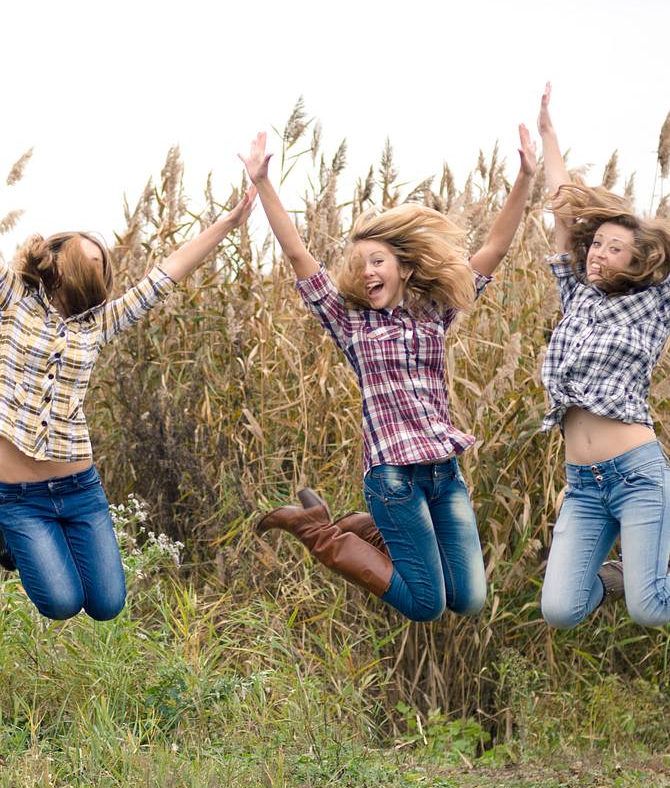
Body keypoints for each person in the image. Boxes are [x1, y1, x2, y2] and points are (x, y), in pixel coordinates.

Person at [0, 115, 256, 620]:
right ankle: (9, 532)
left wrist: (227, 223)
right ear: (58, 257)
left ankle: (46, 542)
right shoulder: (15, 301)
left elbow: (171, 271)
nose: (98, 261)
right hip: (20, 496)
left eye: (103, 261)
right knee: (61, 602)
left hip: (79, 488)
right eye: (88, 253)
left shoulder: (100, 324)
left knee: (108, 605)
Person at [242, 126, 536, 621]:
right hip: (393, 477)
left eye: (377, 260)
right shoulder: (350, 321)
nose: (367, 272)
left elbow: (494, 251)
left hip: (444, 474)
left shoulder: (434, 311)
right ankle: (319, 530)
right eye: (359, 265)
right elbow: (297, 256)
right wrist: (264, 182)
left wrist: (526, 177)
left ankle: (367, 529)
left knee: (467, 599)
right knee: (425, 606)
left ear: (403, 266)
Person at [537, 83, 670, 629]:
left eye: (615, 248)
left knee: (650, 607)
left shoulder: (653, 302)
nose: (598, 253)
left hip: (636, 472)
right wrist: (548, 133)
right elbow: (564, 209)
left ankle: (641, 580)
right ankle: (619, 576)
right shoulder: (577, 295)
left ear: (639, 260)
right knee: (562, 610)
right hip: (583, 482)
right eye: (597, 245)